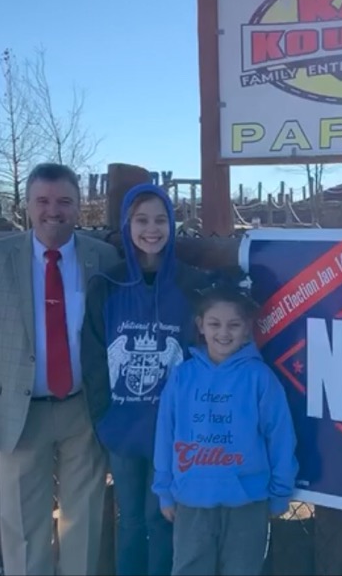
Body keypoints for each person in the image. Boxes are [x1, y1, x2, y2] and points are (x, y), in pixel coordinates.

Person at [0, 162, 121, 576]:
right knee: (23, 527)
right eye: (43, 201)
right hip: (18, 410)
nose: (54, 211)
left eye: (65, 201)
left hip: (84, 408)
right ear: (27, 206)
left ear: (79, 206)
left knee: (83, 520)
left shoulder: (102, 257)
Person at [81, 183, 210, 576]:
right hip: (122, 426)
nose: (151, 229)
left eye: (160, 219)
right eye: (141, 220)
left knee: (162, 517)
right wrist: (104, 417)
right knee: (130, 518)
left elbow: (202, 354)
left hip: (171, 429)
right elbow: (93, 357)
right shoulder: (107, 285)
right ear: (126, 225)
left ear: (172, 224)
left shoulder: (191, 285)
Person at [152, 280, 298, 576]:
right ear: (200, 326)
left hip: (247, 502)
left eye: (233, 325)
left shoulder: (260, 378)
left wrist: (281, 491)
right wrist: (164, 489)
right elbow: (165, 434)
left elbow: (280, 436)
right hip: (192, 500)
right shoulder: (182, 377)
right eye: (214, 324)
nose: (223, 333)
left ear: (246, 328)